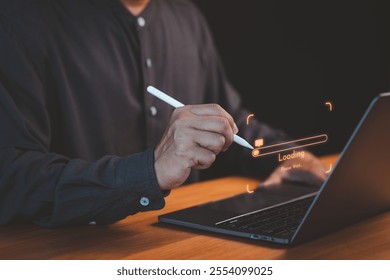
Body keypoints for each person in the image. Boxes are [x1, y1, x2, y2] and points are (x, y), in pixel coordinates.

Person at [0, 0, 325, 227]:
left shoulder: (186, 17)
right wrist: (149, 172)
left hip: (180, 246)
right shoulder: (20, 20)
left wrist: (289, 157)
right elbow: (12, 179)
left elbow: (233, 123)